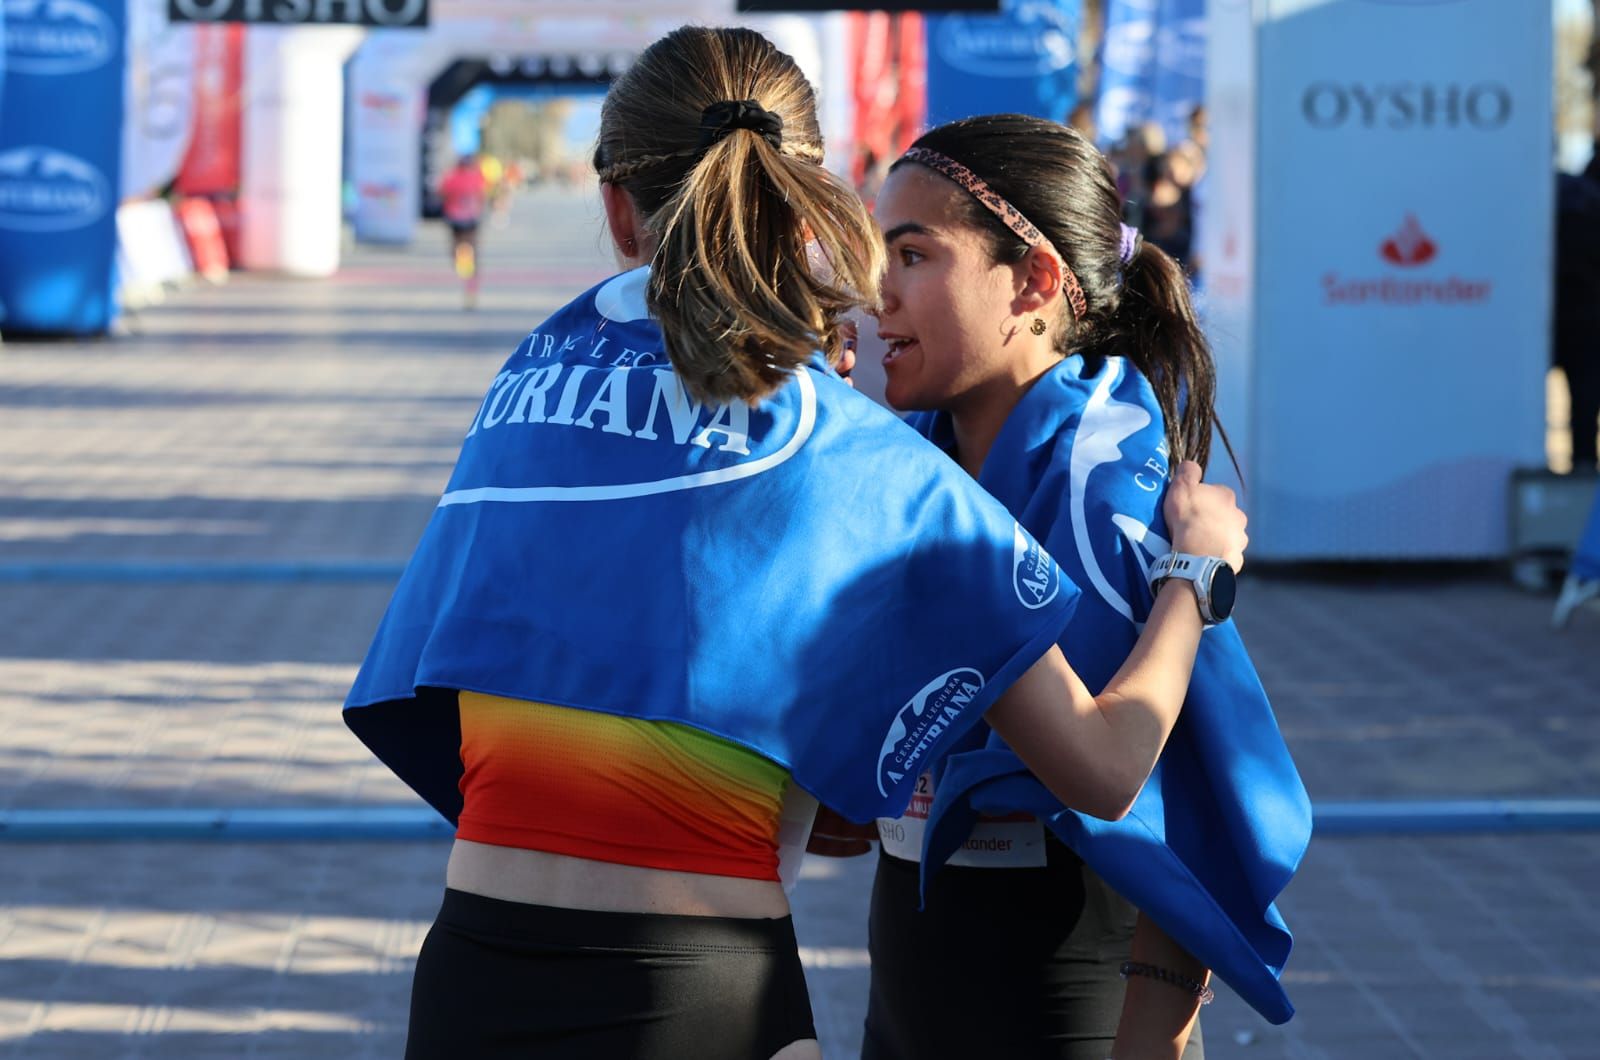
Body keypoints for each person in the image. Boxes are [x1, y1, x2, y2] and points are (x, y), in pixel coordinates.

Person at [343, 28, 1249, 1060]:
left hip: (470, 971)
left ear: (613, 208)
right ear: (809, 201)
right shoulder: (869, 461)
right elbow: (1103, 764)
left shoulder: (524, 387)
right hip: (697, 993)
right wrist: (1193, 572)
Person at [863, 115, 1309, 1060]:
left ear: (1032, 281)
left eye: (912, 254)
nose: (878, 291)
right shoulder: (915, 463)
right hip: (911, 957)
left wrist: (1191, 580)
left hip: (1066, 984)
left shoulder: (1114, 483)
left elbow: (1150, 786)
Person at [439, 153, 489, 307]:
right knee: (472, 248)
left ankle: (463, 267)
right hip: (470, 218)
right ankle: (471, 282)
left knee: (457, 246)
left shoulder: (451, 176)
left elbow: (442, 194)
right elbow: (482, 195)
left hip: (455, 218)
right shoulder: (476, 177)